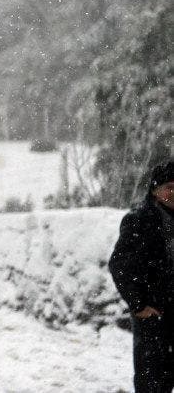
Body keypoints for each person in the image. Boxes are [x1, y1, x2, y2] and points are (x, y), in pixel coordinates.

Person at [110, 160, 174, 392]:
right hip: (154, 316)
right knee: (152, 382)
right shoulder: (139, 220)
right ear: (155, 190)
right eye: (169, 186)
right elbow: (120, 266)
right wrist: (139, 304)